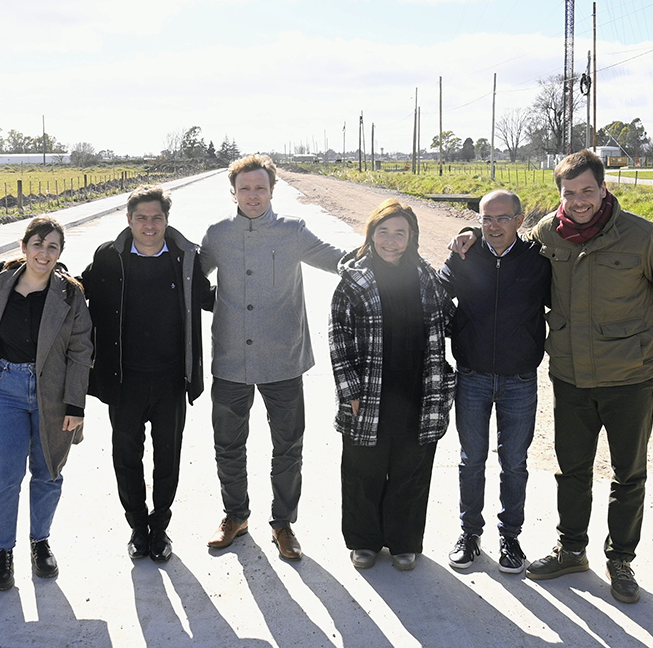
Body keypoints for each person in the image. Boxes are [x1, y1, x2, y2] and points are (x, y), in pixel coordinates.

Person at [453, 149, 653, 603]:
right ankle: (572, 549)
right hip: (571, 377)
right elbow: (504, 238)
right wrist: (469, 231)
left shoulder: (642, 236)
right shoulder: (549, 234)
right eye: (570, 193)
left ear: (604, 189)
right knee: (572, 471)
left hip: (629, 376)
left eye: (587, 191)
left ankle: (621, 560)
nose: (579, 201)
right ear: (559, 195)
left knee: (628, 474)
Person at [199, 154, 344, 560]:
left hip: (283, 360)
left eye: (260, 187)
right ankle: (235, 517)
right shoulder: (217, 235)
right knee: (228, 445)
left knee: (288, 447)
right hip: (230, 360)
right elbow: (189, 279)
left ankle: (283, 524)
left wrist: (390, 248)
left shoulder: (292, 232)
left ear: (272, 190)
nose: (252, 195)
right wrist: (220, 305)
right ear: (233, 192)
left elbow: (338, 260)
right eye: (245, 188)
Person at [80, 186, 212, 564]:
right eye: (141, 218)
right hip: (124, 380)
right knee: (126, 456)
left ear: (166, 220)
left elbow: (208, 297)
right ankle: (138, 527)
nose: (149, 225)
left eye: (156, 218)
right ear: (129, 220)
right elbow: (77, 289)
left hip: (171, 378)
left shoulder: (186, 258)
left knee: (167, 457)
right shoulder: (108, 257)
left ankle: (161, 527)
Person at [329, 199, 456, 571]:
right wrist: (350, 392)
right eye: (383, 232)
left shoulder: (426, 278)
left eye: (400, 233)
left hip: (419, 389)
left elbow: (450, 318)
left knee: (412, 470)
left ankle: (404, 541)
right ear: (370, 236)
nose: (390, 240)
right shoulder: (354, 281)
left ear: (411, 238)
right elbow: (339, 338)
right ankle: (364, 541)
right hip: (369, 394)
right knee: (362, 469)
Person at [0, 217, 92, 592]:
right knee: (2, 475)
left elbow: (81, 350)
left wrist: (75, 405)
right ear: (24, 247)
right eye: (38, 244)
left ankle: (40, 543)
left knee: (48, 471)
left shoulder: (70, 295)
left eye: (53, 246)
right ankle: (2, 552)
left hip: (51, 394)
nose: (44, 252)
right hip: (3, 389)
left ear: (60, 254)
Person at [438, 190, 550, 574]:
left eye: (503, 218)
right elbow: (436, 297)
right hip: (472, 377)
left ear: (520, 220)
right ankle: (470, 534)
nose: (494, 225)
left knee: (514, 463)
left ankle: (510, 537)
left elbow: (564, 303)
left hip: (520, 379)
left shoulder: (538, 261)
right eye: (486, 218)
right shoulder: (465, 255)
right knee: (471, 461)